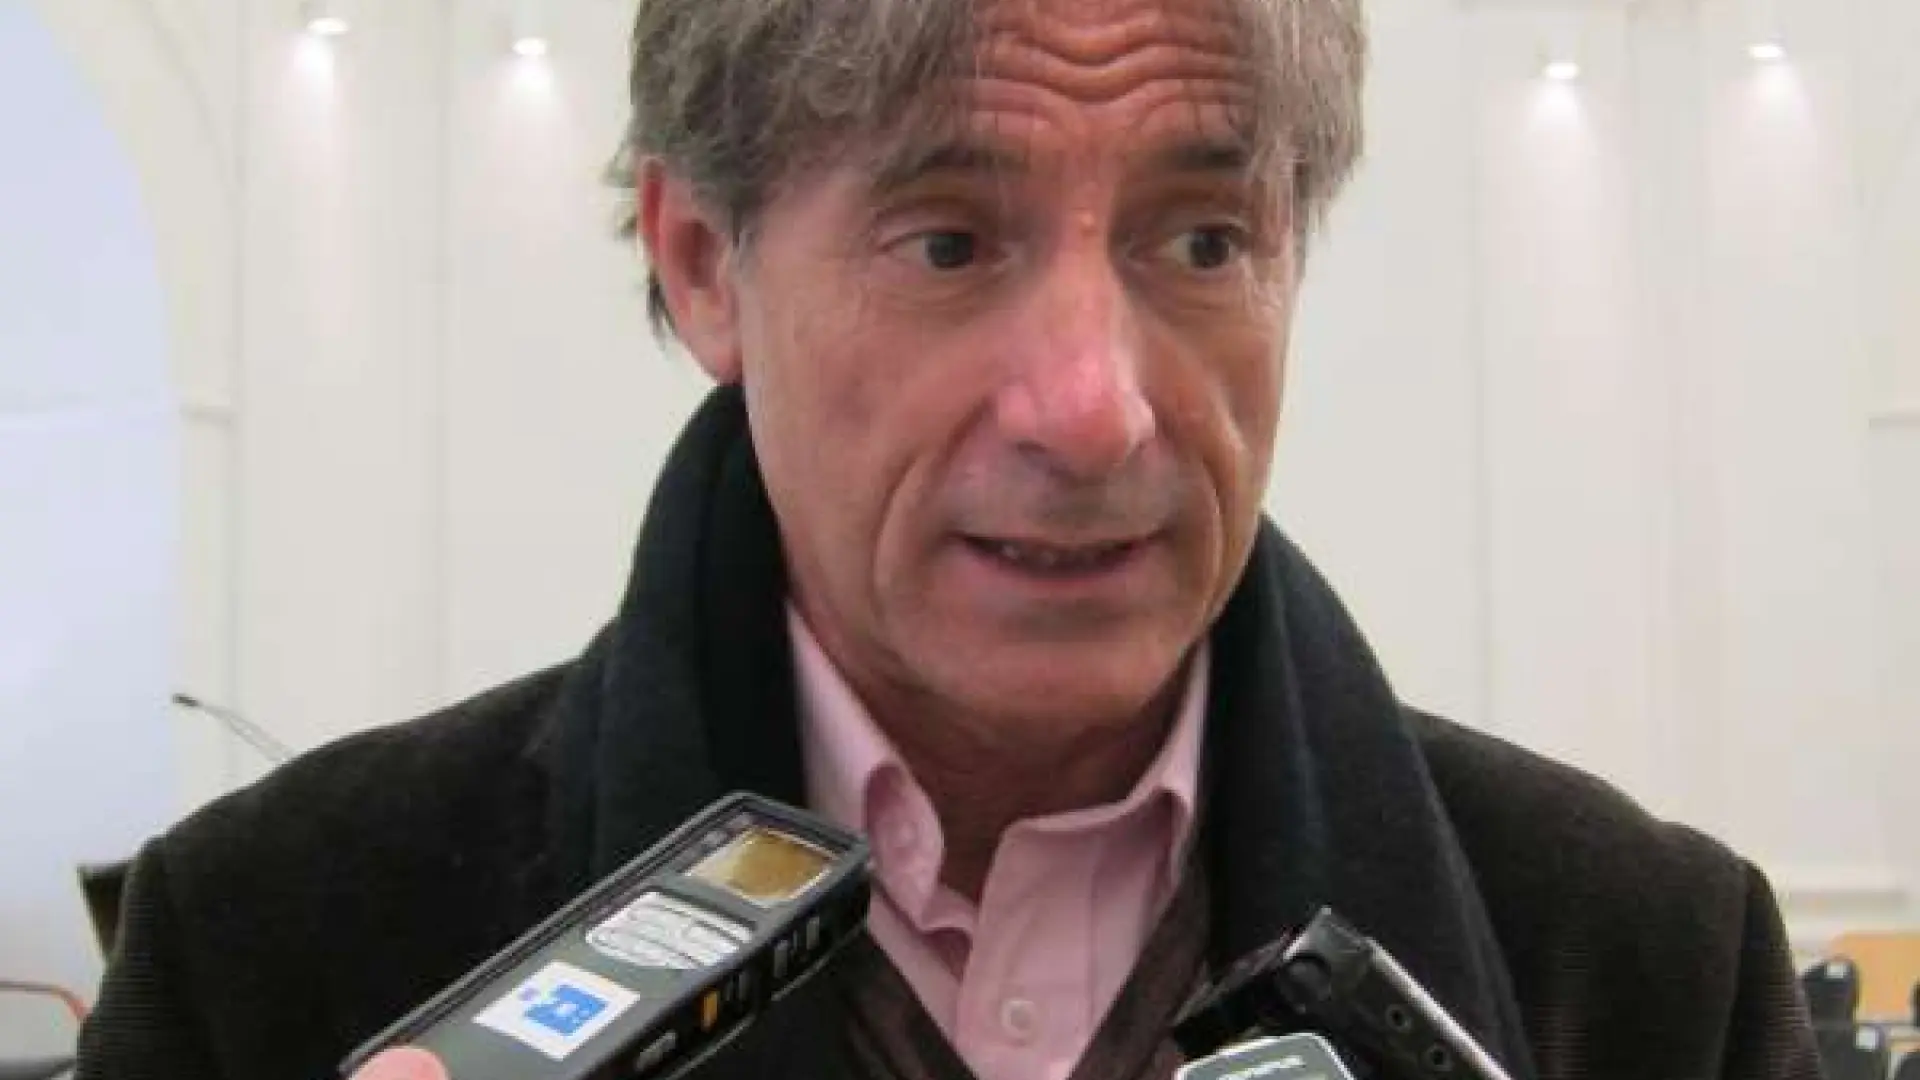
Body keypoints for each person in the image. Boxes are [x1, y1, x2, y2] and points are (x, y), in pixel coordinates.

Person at [77, 1, 1822, 1079]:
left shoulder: (1649, 974)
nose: (1094, 411)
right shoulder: (273, 955)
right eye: (949, 243)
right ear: (702, 262)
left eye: (1203, 242)